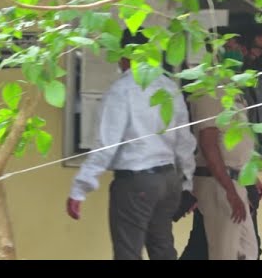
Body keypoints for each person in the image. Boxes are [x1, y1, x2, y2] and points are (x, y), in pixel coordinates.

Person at [66, 30, 196, 260]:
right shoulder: (169, 87)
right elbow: (184, 140)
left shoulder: (122, 90)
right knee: (163, 248)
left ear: (124, 57)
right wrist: (187, 182)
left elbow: (106, 145)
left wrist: (80, 188)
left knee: (128, 252)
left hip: (137, 181)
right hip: (168, 179)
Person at [181, 25, 262, 260]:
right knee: (223, 252)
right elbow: (209, 144)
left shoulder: (233, 89)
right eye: (231, 47)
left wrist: (250, 176)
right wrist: (230, 191)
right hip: (218, 183)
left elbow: (236, 139)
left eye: (239, 47)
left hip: (237, 180)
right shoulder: (209, 88)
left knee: (249, 251)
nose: (239, 52)